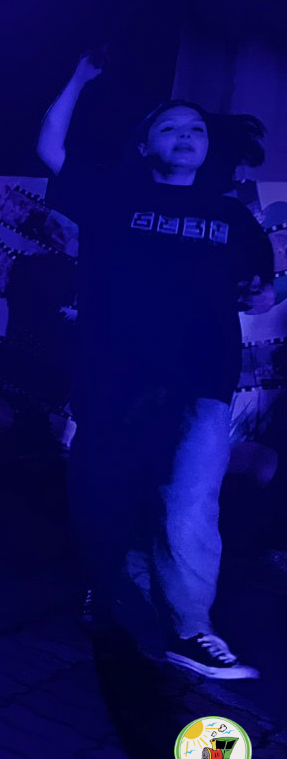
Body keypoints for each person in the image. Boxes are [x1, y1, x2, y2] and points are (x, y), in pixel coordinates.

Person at [39, 51, 274, 679]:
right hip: (115, 377)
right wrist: (78, 78)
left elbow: (262, 284)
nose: (185, 135)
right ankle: (106, 586)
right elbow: (50, 148)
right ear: (145, 146)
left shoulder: (232, 216)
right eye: (169, 127)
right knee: (105, 493)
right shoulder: (112, 195)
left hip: (201, 382)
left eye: (195, 128)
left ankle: (192, 629)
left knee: (191, 505)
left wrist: (264, 294)